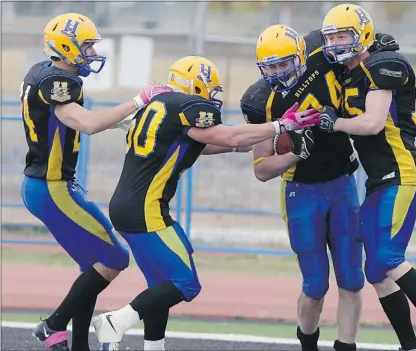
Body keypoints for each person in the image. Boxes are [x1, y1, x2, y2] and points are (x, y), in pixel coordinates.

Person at [90, 55, 322, 351]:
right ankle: (116, 321)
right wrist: (279, 125)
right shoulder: (188, 106)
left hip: (127, 206)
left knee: (161, 283)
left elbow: (206, 143)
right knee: (186, 283)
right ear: (195, 85)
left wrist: (258, 138)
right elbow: (228, 134)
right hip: (146, 210)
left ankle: (153, 346)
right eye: (210, 89)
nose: (212, 97)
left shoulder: (160, 107)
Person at [316, 4, 416, 351]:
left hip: (403, 174)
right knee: (376, 273)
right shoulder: (348, 74)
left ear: (362, 33)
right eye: (331, 37)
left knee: (387, 259)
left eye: (342, 36)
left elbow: (372, 123)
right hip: (379, 181)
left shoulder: (382, 65)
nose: (335, 44)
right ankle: (410, 346)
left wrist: (334, 123)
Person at [21, 12, 164, 351]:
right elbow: (85, 123)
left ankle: (77, 344)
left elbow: (65, 122)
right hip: (52, 187)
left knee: (92, 266)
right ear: (65, 47)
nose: (91, 52)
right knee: (115, 257)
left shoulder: (43, 73)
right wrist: (138, 100)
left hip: (47, 186)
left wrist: (123, 121)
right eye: (86, 46)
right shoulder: (58, 82)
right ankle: (53, 325)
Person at [241, 24, 363, 351]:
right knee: (315, 285)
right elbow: (262, 169)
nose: (279, 72)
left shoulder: (321, 55)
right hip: (302, 192)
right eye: (272, 66)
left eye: (284, 63)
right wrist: (297, 153)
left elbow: (347, 34)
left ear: (300, 55)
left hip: (342, 183)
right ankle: (307, 345)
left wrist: (377, 46)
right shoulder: (260, 101)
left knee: (352, 278)